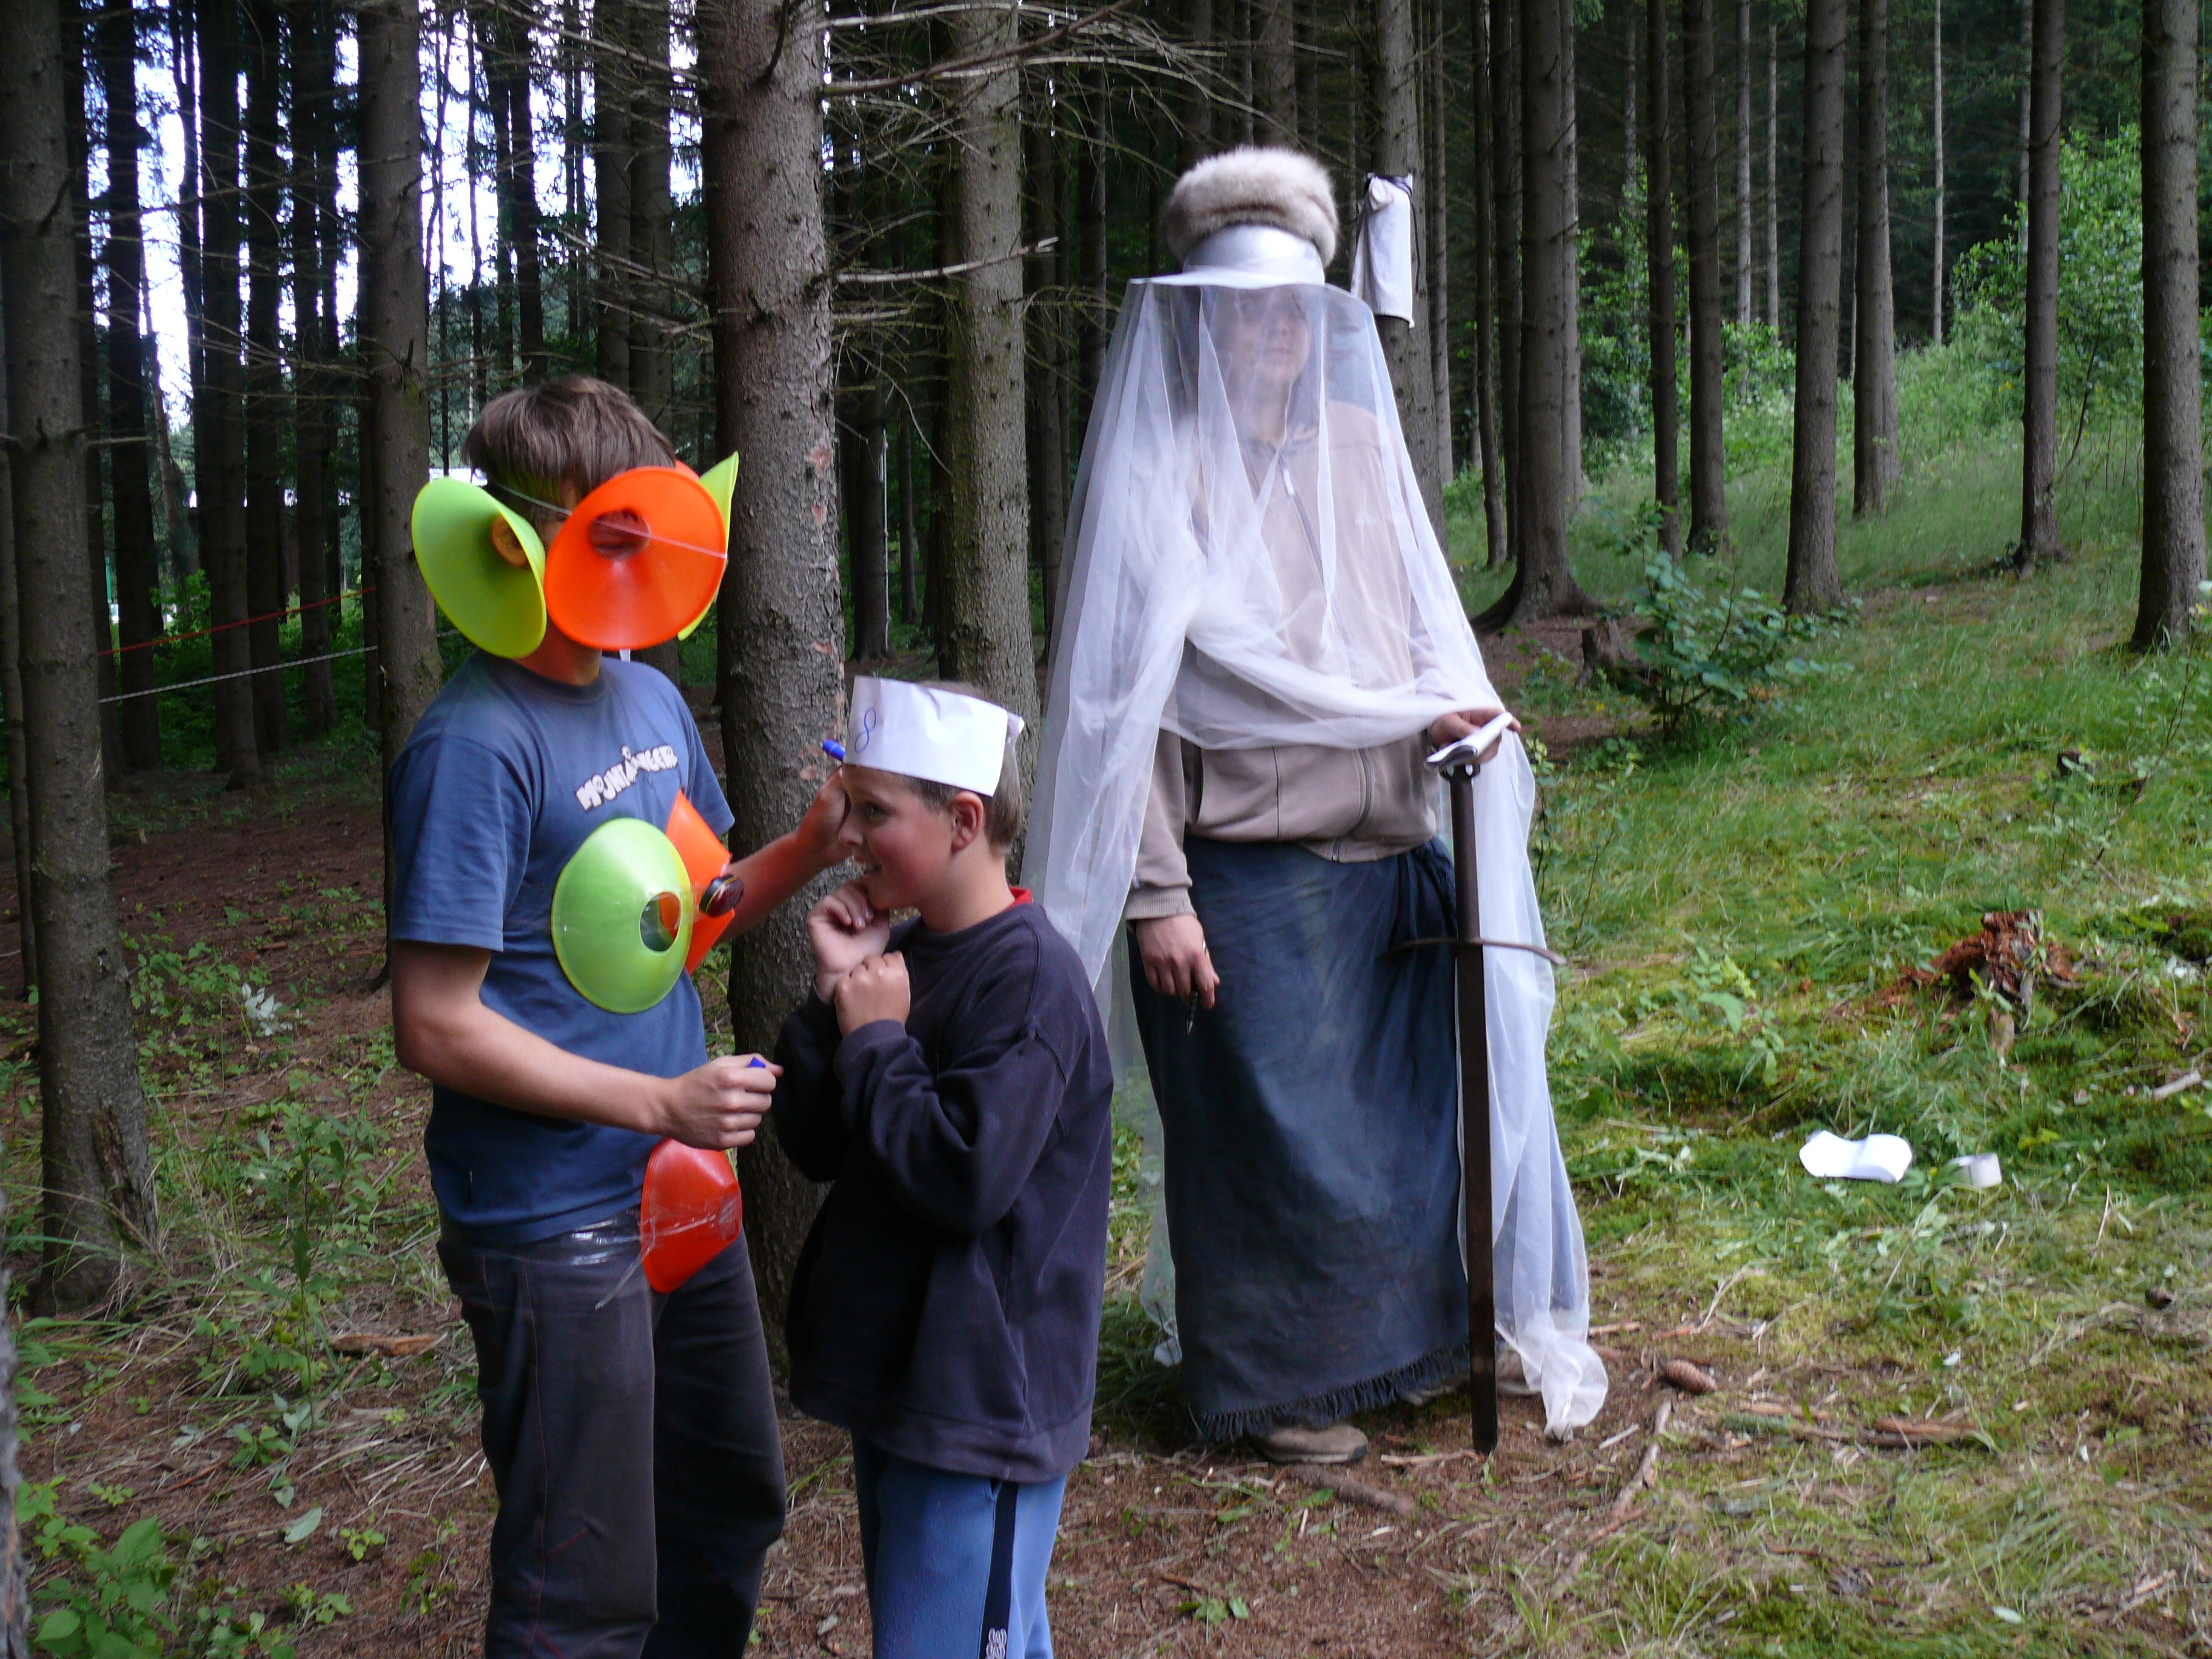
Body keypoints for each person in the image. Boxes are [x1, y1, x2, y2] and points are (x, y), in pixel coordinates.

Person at [1027, 148, 1608, 1464]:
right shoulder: (1159, 466)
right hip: (1237, 872)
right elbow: (1122, 708)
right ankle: (1276, 1389)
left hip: (1386, 846)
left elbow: (1406, 626)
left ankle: (1400, 1352)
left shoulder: (1355, 447)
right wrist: (1157, 892)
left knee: (1403, 1123)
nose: (1274, 334)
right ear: (1205, 319)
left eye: (1292, 310)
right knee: (1266, 1145)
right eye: (1249, 312)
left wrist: (1447, 710)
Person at [389, 376, 847, 1657]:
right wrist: (658, 1101)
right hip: (553, 1225)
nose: (644, 547)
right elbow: (434, 1024)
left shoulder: (646, 696)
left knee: (725, 1509)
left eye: (650, 520)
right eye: (617, 524)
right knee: (580, 1583)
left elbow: (680, 915)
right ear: (526, 538)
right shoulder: (475, 745)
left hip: (677, 1189)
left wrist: (810, 848)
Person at [772, 677, 1113, 1659]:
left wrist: (878, 1043)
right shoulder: (903, 959)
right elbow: (819, 1146)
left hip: (981, 1404)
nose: (848, 839)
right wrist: (835, 1001)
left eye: (875, 813)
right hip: (907, 1384)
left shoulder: (1033, 982)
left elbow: (968, 1178)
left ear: (964, 820)